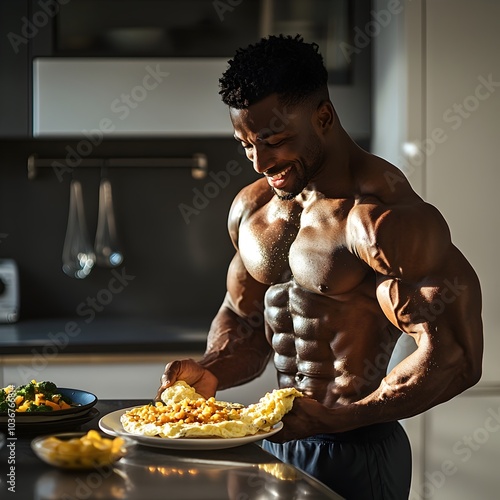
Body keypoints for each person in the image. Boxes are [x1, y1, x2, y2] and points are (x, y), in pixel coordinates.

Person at [156, 35, 483, 499]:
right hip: (275, 445)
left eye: (274, 141)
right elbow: (246, 318)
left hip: (357, 450)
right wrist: (210, 371)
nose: (260, 161)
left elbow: (456, 357)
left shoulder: (381, 217)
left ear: (323, 117)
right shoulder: (254, 209)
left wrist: (343, 417)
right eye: (246, 144)